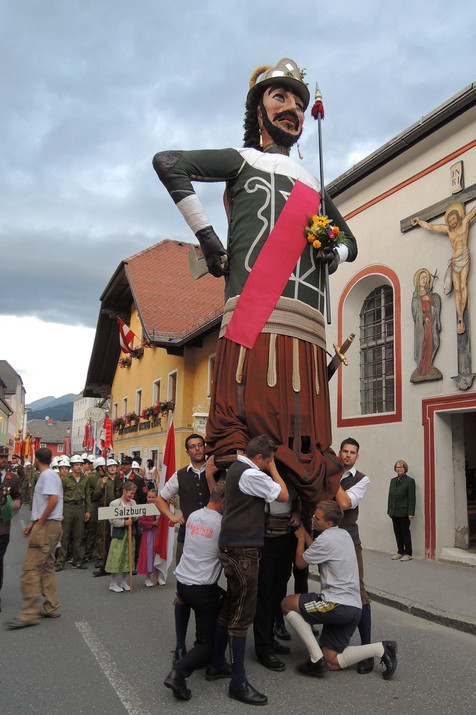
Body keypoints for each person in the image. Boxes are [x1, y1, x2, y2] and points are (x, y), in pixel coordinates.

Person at [153, 58, 357, 503]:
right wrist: (208, 239)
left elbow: (350, 243)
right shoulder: (242, 160)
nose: (293, 109)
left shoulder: (313, 184)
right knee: (246, 421)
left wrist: (333, 252)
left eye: (299, 103)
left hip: (306, 323)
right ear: (258, 110)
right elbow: (169, 163)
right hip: (254, 315)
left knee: (305, 430)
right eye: (280, 97)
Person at [209, 435, 288, 706]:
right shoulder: (251, 473)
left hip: (233, 545)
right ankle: (238, 682)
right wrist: (274, 468)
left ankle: (217, 663)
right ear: (259, 458)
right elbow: (283, 495)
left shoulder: (236, 467)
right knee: (242, 615)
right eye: (268, 460)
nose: (269, 464)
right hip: (243, 549)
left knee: (231, 606)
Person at [281, 500, 397, 678]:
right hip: (354, 609)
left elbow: (300, 563)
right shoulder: (343, 534)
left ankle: (315, 659)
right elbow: (318, 550)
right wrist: (306, 532)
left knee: (286, 604)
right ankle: (380, 649)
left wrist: (301, 539)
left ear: (328, 523)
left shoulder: (325, 539)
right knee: (332, 661)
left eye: (317, 518)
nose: (313, 520)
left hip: (335, 605)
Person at [411, 171, 476, 334]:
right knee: (456, 290)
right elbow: (431, 227)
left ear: (458, 217)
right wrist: (419, 221)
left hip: (465, 256)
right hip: (454, 260)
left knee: (463, 285)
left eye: (453, 219)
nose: (452, 221)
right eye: (449, 220)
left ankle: (462, 315)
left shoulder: (465, 222)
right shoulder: (448, 230)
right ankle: (460, 318)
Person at [163, 480, 228, 701]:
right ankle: (178, 672)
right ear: (224, 501)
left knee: (222, 600)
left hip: (183, 583)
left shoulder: (193, 516)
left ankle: (205, 658)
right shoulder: (221, 523)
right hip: (202, 589)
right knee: (205, 645)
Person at [155, 434, 215, 663]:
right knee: (183, 592)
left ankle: (205, 643)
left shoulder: (216, 471)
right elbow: (160, 499)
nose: (197, 449)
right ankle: (180, 645)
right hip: (188, 538)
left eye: (200, 445)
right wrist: (172, 517)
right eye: (193, 446)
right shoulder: (180, 475)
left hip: (213, 538)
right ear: (187, 451)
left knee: (209, 588)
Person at [6, 448, 63, 629]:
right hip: (50, 525)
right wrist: (32, 523)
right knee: (47, 568)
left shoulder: (47, 476)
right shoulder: (50, 475)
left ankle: (29, 613)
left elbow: (53, 500)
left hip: (47, 526)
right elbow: (45, 503)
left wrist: (40, 522)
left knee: (30, 569)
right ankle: (52, 606)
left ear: (37, 460)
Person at [334, 438, 373, 672]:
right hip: (328, 539)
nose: (348, 455)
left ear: (357, 456)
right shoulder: (330, 473)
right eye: (345, 451)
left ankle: (367, 650)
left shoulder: (362, 479)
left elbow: (345, 502)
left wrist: (331, 477)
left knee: (359, 591)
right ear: (339, 453)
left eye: (352, 452)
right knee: (331, 589)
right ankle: (334, 643)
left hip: (349, 539)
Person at [253, 480, 300, 672]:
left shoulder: (291, 476)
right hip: (265, 542)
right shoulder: (262, 477)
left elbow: (299, 498)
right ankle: (263, 649)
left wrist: (297, 511)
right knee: (264, 594)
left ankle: (270, 639)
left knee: (278, 592)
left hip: (285, 539)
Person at [55, 454, 90, 571]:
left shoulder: (85, 479)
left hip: (80, 507)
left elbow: (87, 496)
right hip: (67, 507)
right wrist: (60, 512)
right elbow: (60, 496)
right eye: (76, 465)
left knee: (78, 535)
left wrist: (88, 511)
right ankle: (60, 561)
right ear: (72, 467)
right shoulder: (66, 480)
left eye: (80, 465)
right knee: (65, 536)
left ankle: (77, 560)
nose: (79, 467)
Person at [105, 481, 137, 593]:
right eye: (131, 493)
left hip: (129, 534)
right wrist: (124, 523)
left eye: (133, 494)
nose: (132, 496)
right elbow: (112, 520)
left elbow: (136, 517)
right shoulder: (114, 504)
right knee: (116, 557)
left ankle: (124, 581)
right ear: (124, 491)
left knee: (128, 557)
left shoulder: (133, 503)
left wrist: (133, 517)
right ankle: (113, 583)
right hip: (119, 534)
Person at [410, 267, 442, 382]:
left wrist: (430, 299)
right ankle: (421, 368)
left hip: (430, 324)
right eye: (422, 278)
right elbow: (416, 314)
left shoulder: (431, 295)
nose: (424, 280)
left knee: (431, 344)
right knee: (423, 345)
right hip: (422, 326)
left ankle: (428, 366)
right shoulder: (416, 299)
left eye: (425, 278)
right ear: (417, 280)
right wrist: (423, 317)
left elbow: (435, 306)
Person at [0, 445, 22, 613]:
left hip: (2, 527)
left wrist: (17, 502)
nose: (3, 460)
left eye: (4, 457)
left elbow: (17, 495)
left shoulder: (12, 478)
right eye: (0, 457)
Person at [92, 458, 122, 576]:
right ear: (106, 469)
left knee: (117, 535)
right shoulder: (102, 480)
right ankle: (103, 559)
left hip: (118, 510)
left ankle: (116, 559)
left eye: (114, 466)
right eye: (110, 467)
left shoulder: (120, 480)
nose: (112, 468)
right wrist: (102, 486)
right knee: (103, 536)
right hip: (105, 509)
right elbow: (95, 496)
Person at [387, 460, 416, 562]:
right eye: (397, 467)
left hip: (404, 512)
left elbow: (412, 498)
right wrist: (389, 510)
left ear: (405, 469)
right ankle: (400, 551)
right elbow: (390, 496)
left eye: (401, 467)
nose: (399, 469)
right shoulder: (393, 481)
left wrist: (411, 512)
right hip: (394, 511)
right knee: (397, 532)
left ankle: (408, 553)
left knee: (405, 533)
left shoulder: (409, 481)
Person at [137, 488, 160, 587]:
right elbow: (140, 522)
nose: (151, 499)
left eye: (153, 497)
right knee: (147, 555)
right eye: (149, 497)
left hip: (158, 534)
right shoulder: (144, 508)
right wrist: (152, 523)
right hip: (148, 534)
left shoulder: (160, 507)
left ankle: (157, 576)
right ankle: (147, 578)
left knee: (158, 555)